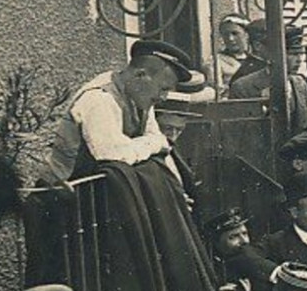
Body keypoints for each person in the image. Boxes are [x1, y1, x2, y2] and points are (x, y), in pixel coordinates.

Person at [40, 39, 193, 185]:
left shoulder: (140, 97)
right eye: (163, 89)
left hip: (102, 192)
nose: (164, 97)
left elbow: (158, 143)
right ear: (140, 75)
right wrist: (154, 143)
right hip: (68, 195)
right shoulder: (100, 98)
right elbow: (113, 154)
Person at [204, 208, 273, 291]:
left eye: (245, 234)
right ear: (216, 243)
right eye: (233, 237)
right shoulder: (213, 275)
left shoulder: (255, 265)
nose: (244, 241)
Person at [213, 13, 252, 89]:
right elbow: (217, 91)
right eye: (225, 35)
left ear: (246, 34)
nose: (230, 38)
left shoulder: (258, 58)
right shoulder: (217, 62)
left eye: (235, 33)